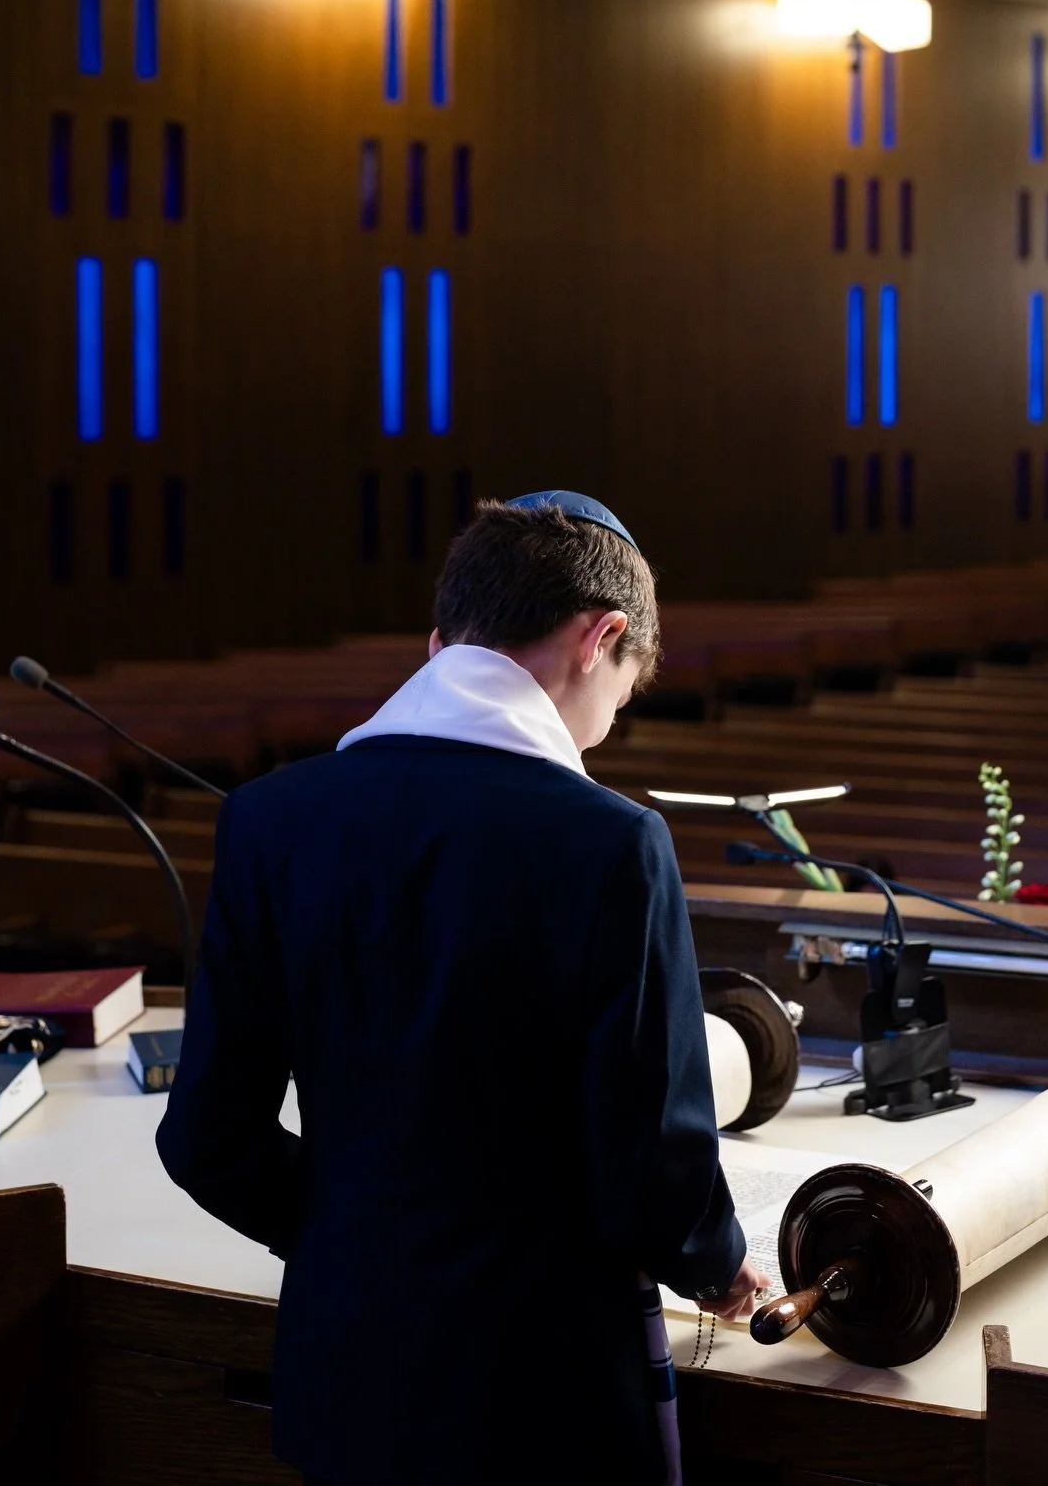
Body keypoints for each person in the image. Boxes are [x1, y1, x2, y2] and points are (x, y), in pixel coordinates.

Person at [157, 491, 769, 1486]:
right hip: (547, 1400)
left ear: (443, 640)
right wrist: (717, 1261)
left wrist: (362, 1231)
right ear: (601, 634)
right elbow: (651, 1167)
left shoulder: (272, 821)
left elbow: (206, 1140)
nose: (599, 736)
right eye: (614, 699)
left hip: (347, 1377)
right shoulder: (610, 843)